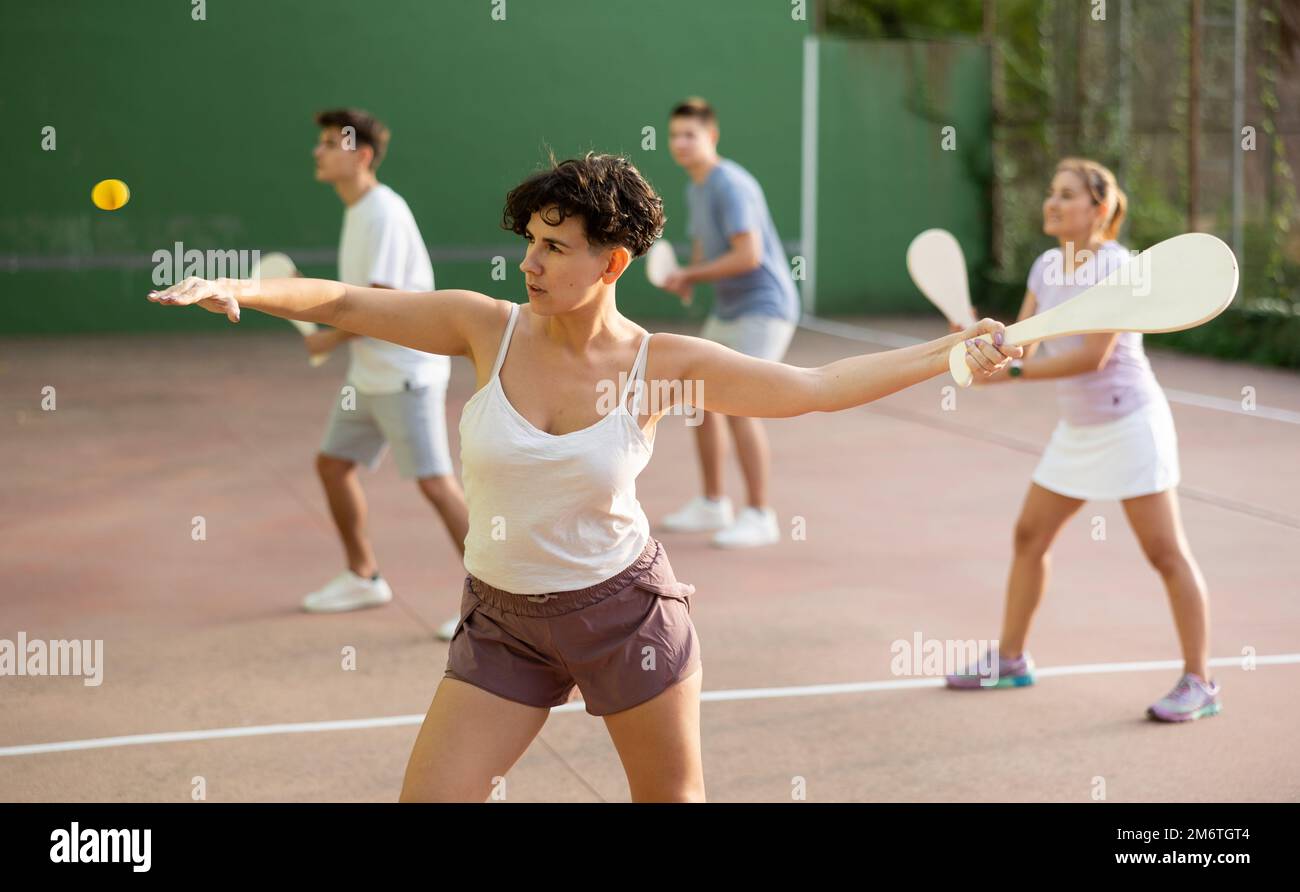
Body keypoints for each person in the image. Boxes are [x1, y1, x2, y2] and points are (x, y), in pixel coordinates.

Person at [148, 152, 1019, 801]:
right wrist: (244, 290)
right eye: (530, 242)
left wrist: (949, 350)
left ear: (612, 262)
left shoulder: (659, 364)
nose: (530, 262)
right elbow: (343, 302)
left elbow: (817, 389)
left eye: (556, 247)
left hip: (624, 618)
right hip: (502, 624)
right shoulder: (484, 329)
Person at [945, 158, 1219, 723]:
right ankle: (1011, 660)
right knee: (1029, 536)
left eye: (1066, 195)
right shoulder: (1046, 265)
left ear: (1098, 209)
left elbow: (1092, 358)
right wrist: (988, 343)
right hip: (1078, 430)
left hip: (1130, 424)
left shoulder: (1119, 267)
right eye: (1050, 192)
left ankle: (1201, 681)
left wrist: (1012, 372)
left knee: (1165, 554)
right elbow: (1026, 345)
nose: (1052, 202)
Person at [302, 108, 468, 637]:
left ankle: (497, 604)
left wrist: (328, 333)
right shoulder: (357, 210)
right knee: (332, 465)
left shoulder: (383, 212)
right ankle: (363, 576)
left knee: (437, 485)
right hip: (369, 375)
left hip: (406, 374)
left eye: (331, 143)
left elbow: (383, 301)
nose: (318, 151)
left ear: (362, 156)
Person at [655, 98, 802, 548]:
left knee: (739, 404)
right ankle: (713, 503)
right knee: (697, 399)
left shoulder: (730, 184)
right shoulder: (695, 188)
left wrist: (690, 274)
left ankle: (761, 514)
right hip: (730, 309)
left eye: (690, 135)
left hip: (765, 307)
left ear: (711, 137)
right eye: (675, 135)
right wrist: (688, 278)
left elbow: (748, 255)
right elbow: (705, 253)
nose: (681, 143)